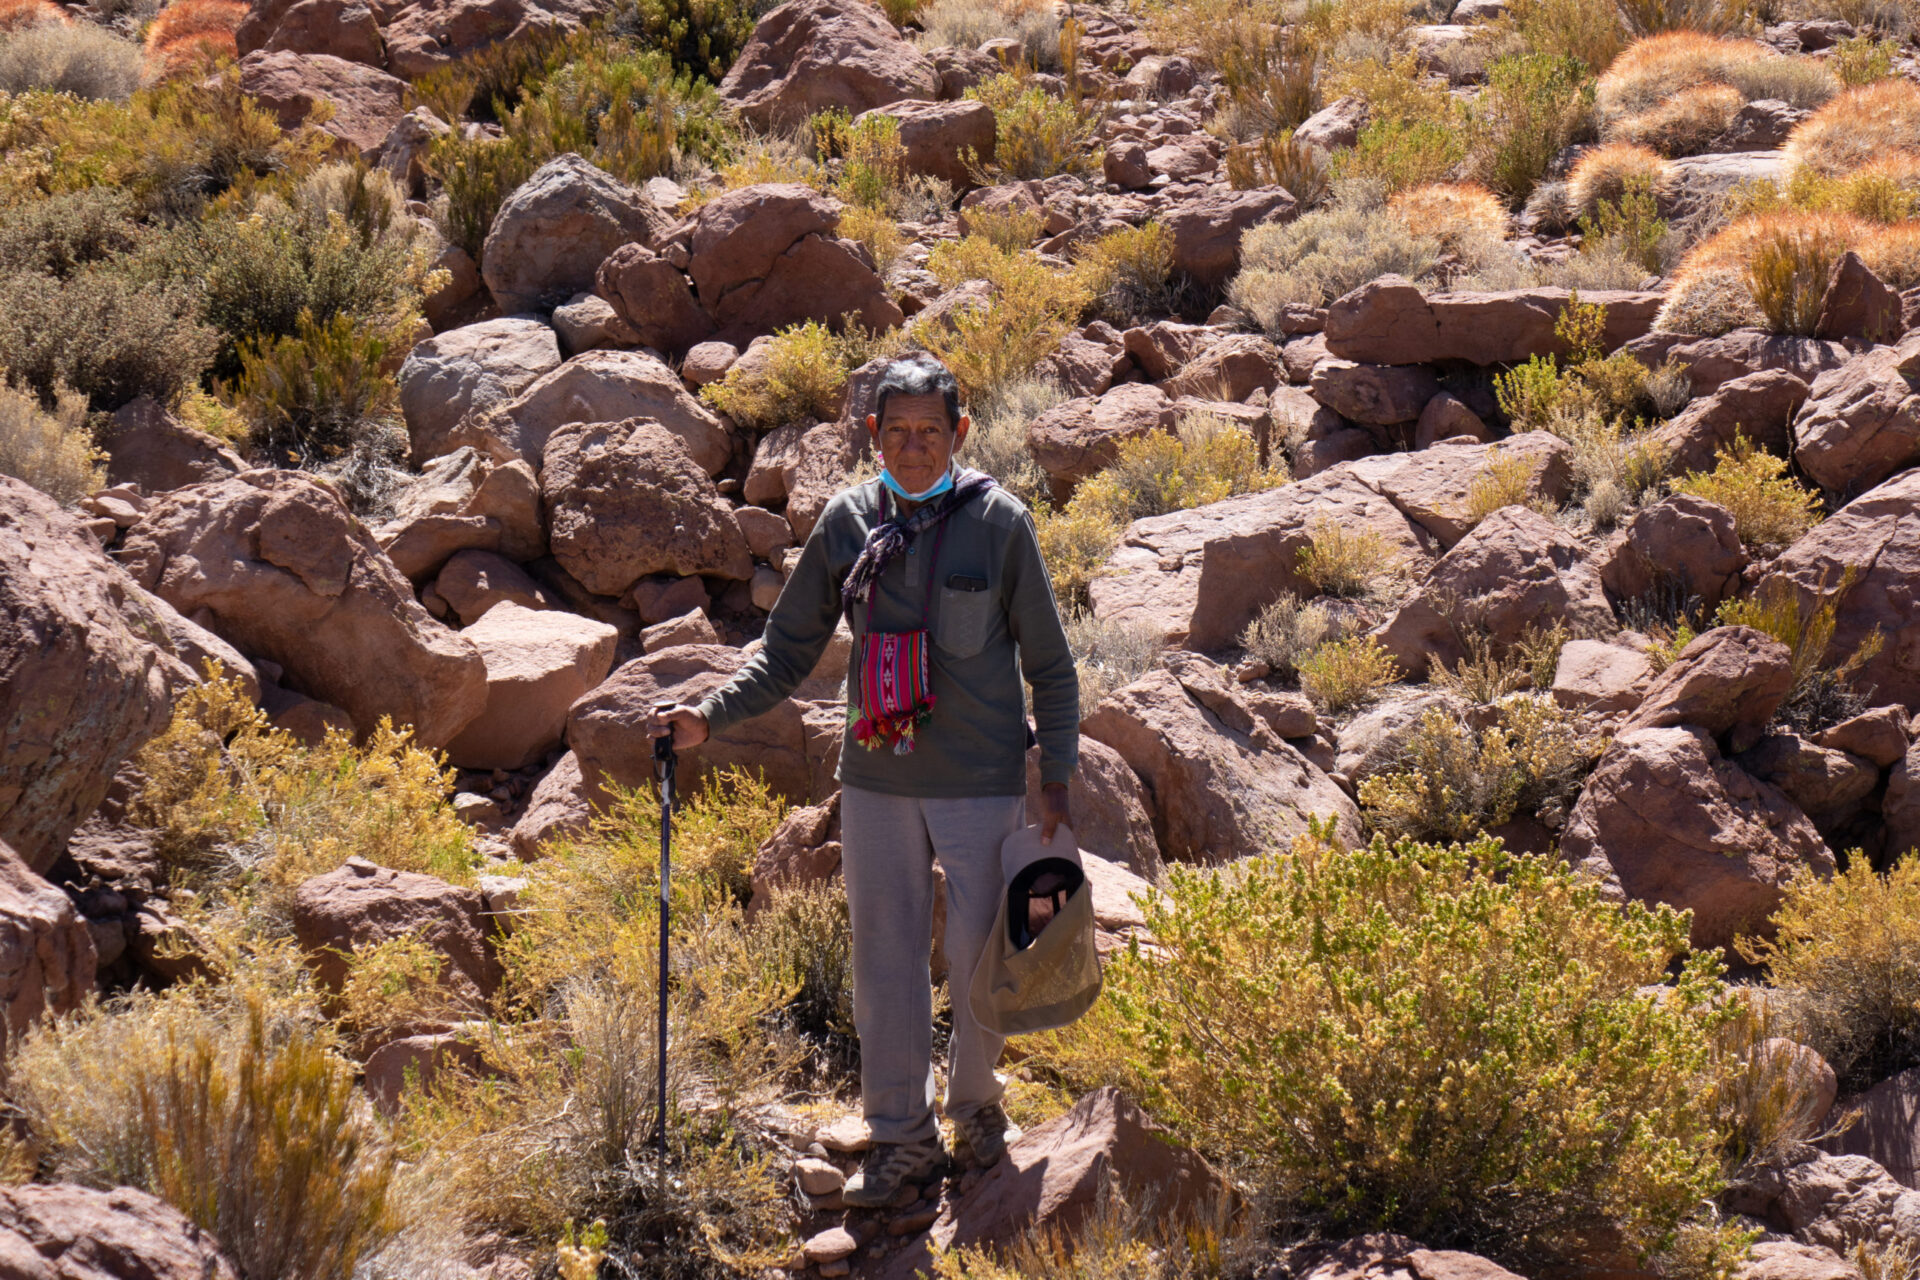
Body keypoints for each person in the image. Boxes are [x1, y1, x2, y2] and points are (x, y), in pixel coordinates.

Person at [649, 353, 1079, 1207]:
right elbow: (785, 651)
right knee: (884, 961)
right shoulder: (847, 523)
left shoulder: (1000, 525)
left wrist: (1055, 786)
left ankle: (976, 1107)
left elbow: (1053, 669)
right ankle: (901, 1139)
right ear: (872, 436)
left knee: (978, 955)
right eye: (897, 433)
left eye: (931, 432)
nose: (914, 448)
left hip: (982, 781)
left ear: (960, 433)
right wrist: (710, 715)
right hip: (877, 783)